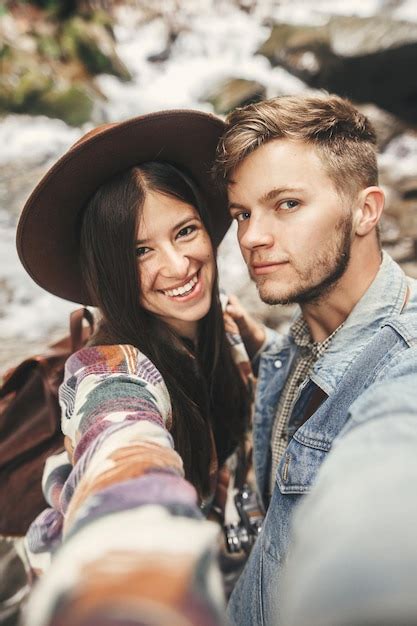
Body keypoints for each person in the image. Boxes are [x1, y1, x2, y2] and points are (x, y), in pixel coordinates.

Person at [16, 110, 251, 626]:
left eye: (185, 231)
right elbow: (122, 459)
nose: (176, 265)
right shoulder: (108, 375)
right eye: (140, 250)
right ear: (109, 269)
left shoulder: (230, 326)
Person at [213, 93, 417, 626]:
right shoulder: (285, 353)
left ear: (366, 211)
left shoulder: (406, 362)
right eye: (242, 214)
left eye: (287, 204)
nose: (252, 238)